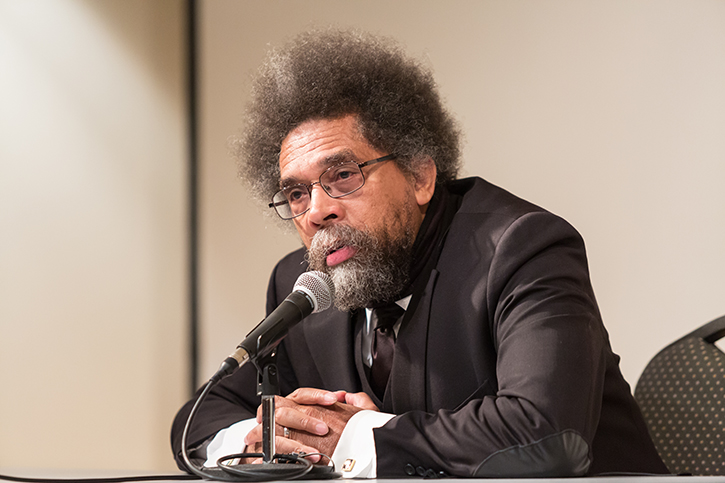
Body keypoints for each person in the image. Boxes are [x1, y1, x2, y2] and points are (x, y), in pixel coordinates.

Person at [171, 29, 668, 478]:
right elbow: (197, 422)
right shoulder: (301, 287)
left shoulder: (523, 247)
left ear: (420, 176)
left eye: (342, 176)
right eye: (297, 194)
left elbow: (548, 434)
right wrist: (262, 440)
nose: (317, 211)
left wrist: (356, 438)